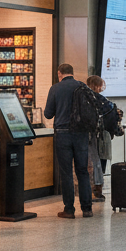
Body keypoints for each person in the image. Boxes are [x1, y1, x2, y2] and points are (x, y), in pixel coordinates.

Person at [45, 63, 93, 219]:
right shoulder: (83, 87)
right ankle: (87, 209)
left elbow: (48, 114)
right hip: (81, 134)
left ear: (59, 73)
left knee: (66, 173)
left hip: (63, 134)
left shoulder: (55, 88)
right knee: (82, 171)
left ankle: (69, 209)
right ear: (72, 73)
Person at [85, 76, 119, 203]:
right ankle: (99, 190)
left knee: (92, 163)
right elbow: (113, 122)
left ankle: (92, 189)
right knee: (101, 162)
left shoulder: (86, 100)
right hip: (104, 137)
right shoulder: (106, 103)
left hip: (89, 137)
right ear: (99, 86)